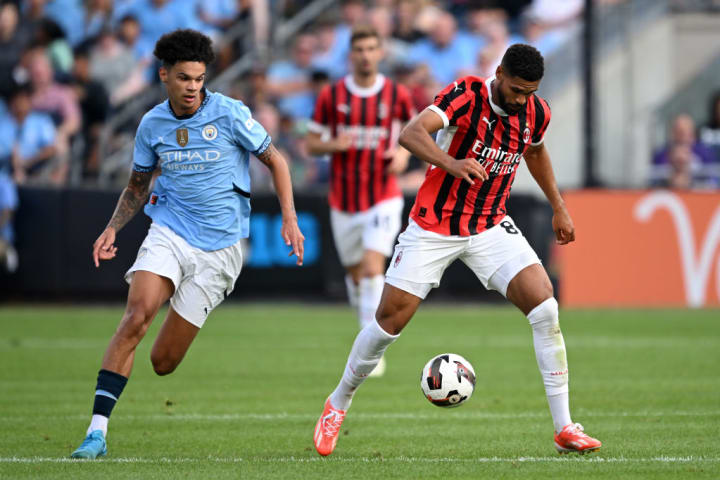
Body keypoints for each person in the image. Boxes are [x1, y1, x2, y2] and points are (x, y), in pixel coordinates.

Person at [313, 44, 602, 456]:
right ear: (499, 73)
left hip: (488, 224)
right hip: (434, 224)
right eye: (516, 90)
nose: (522, 100)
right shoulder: (466, 95)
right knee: (388, 322)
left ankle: (564, 427)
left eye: (529, 92)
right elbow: (410, 133)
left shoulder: (536, 111)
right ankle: (337, 403)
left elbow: (535, 151)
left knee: (545, 307)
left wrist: (559, 206)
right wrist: (453, 163)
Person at [70, 29, 305, 459]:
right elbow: (138, 186)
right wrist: (112, 229)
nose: (193, 87)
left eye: (199, 78)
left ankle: (181, 313)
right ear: (164, 76)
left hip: (221, 250)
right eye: (184, 78)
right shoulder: (151, 125)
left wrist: (289, 218)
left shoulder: (231, 113)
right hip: (171, 230)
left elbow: (277, 160)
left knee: (163, 361)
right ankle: (96, 432)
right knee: (136, 315)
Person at [306, 25, 415, 377]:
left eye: (372, 48)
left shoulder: (397, 95)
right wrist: (333, 145)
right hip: (344, 200)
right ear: (350, 55)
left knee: (371, 269)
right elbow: (311, 143)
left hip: (383, 196)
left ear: (380, 52)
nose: (366, 55)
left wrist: (401, 155)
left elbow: (412, 135)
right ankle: (365, 333)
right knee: (356, 276)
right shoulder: (331, 96)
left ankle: (371, 353)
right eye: (360, 49)